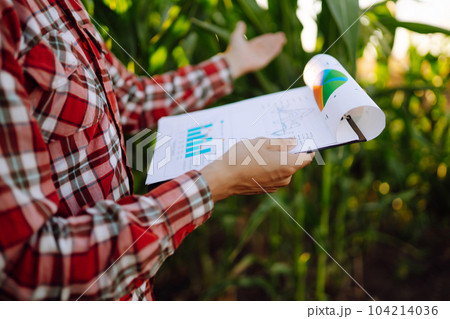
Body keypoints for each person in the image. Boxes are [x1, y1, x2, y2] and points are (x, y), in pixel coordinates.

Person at [0, 0, 313, 300]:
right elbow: (26, 266)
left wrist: (231, 64)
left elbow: (131, 97)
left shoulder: (61, 5)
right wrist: (215, 181)